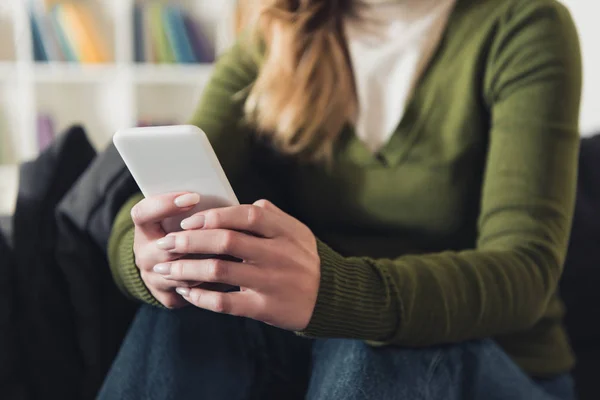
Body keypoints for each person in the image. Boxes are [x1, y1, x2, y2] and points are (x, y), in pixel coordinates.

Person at [99, 0, 582, 398]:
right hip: (317, 355)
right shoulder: (278, 33)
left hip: (497, 363)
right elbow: (146, 204)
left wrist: (338, 295)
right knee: (185, 316)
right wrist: (146, 255)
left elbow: (526, 271)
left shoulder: (522, 24)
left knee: (372, 345)